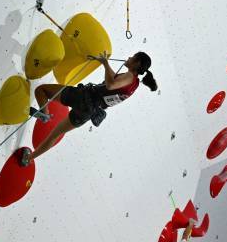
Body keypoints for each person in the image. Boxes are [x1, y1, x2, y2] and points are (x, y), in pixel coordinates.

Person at [19, 51, 157, 166]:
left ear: (137, 63)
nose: (129, 58)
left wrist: (105, 63)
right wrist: (105, 65)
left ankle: (45, 114)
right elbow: (114, 83)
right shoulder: (134, 84)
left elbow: (110, 84)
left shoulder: (129, 76)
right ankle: (28, 159)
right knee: (55, 134)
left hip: (84, 98)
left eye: (133, 57)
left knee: (41, 90)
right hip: (89, 111)